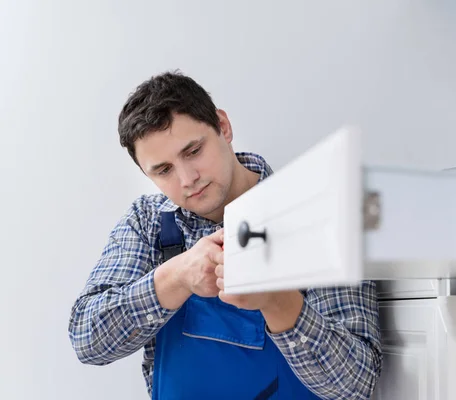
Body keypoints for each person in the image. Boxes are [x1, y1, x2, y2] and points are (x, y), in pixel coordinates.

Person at [68, 71, 383, 399]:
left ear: (223, 126)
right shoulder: (147, 224)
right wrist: (177, 278)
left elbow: (355, 386)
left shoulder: (318, 217)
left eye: (193, 151)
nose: (188, 178)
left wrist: (276, 300)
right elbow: (88, 339)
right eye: (164, 170)